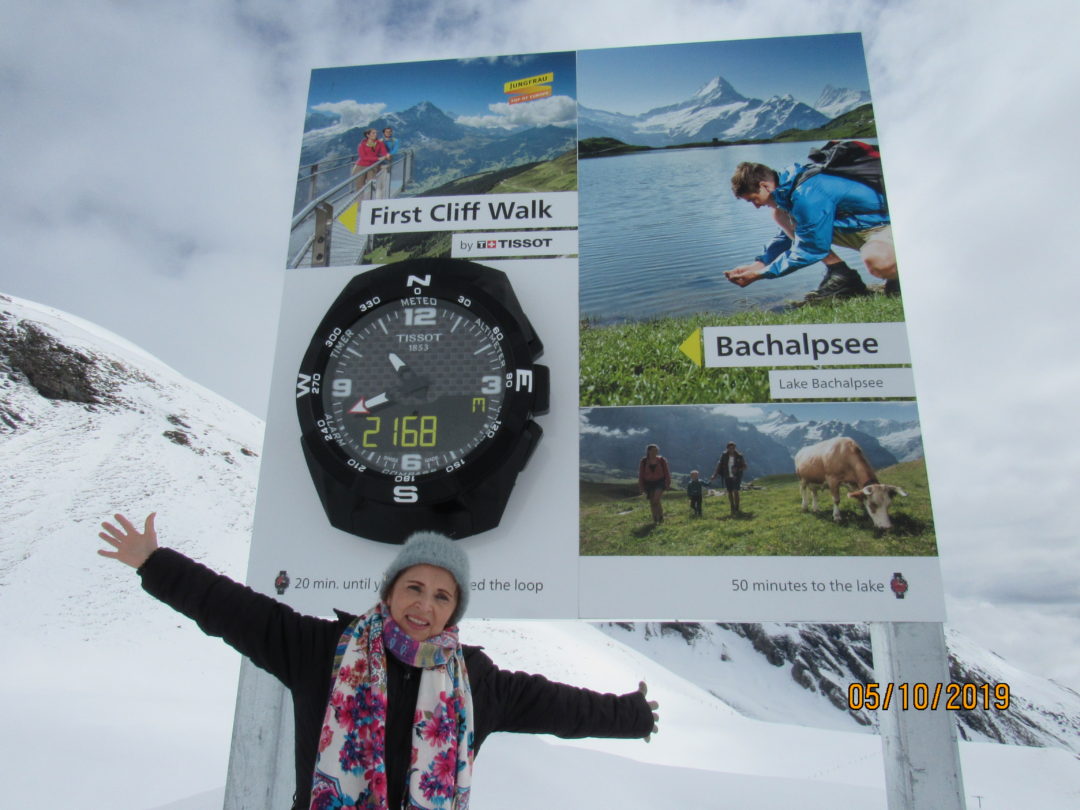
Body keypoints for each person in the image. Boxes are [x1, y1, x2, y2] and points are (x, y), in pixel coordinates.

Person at [96, 514, 658, 810]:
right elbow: (236, 611)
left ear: (454, 611)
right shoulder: (324, 651)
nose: (425, 606)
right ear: (389, 592)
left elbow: (560, 706)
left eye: (442, 597)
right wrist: (156, 563)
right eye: (415, 588)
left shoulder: (476, 684)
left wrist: (631, 716)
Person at [724, 159, 897, 299]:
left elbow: (810, 248)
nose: (756, 206)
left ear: (764, 186)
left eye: (754, 199)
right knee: (779, 215)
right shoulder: (791, 187)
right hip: (859, 228)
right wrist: (759, 264)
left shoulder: (808, 193)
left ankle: (898, 273)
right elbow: (794, 233)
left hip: (886, 226)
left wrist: (762, 274)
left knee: (877, 261)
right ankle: (842, 274)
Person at [709, 442, 747, 517]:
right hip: (727, 475)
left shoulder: (739, 456)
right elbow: (719, 465)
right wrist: (714, 475)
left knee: (735, 491)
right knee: (729, 491)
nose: (731, 449)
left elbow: (745, 467)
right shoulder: (724, 455)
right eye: (730, 448)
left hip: (736, 476)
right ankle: (732, 507)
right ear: (727, 448)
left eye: (733, 448)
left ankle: (737, 507)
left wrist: (738, 469)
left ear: (735, 448)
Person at [637, 443, 671, 525]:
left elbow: (666, 472)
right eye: (653, 450)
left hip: (660, 482)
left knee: (656, 500)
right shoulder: (644, 461)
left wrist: (667, 483)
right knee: (652, 502)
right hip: (649, 483)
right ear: (648, 451)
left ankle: (660, 517)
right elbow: (641, 474)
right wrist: (641, 486)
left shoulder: (661, 460)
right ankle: (656, 518)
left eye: (656, 451)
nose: (655, 452)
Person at [353, 128, 389, 193]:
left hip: (373, 166)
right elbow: (363, 157)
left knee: (372, 185)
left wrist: (387, 155)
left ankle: (369, 201)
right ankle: (359, 202)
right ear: (368, 135)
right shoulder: (362, 144)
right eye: (373, 133)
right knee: (359, 186)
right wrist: (377, 159)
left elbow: (384, 152)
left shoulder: (379, 143)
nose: (375, 134)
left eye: (376, 133)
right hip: (361, 166)